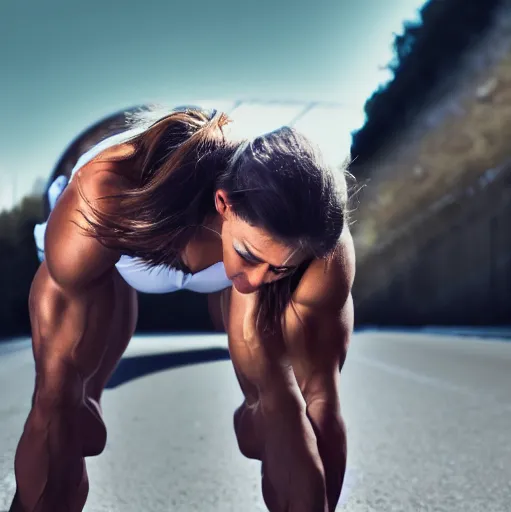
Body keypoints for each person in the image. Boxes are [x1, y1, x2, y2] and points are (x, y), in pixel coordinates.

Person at [10, 105, 355, 512]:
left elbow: (321, 402)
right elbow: (55, 393)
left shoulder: (319, 248)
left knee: (285, 404)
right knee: (61, 401)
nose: (260, 279)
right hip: (124, 236)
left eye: (279, 268)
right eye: (249, 254)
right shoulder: (104, 197)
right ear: (224, 204)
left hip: (214, 233)